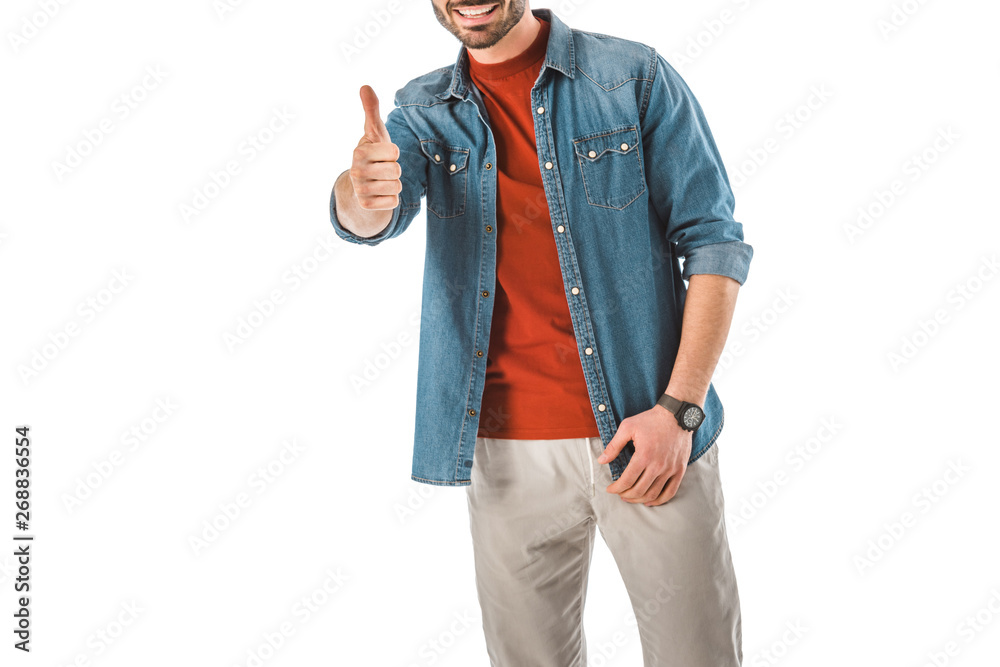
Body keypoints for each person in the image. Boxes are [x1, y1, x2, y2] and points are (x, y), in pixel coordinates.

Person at [330, 2, 751, 664]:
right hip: (505, 454)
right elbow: (372, 212)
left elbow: (715, 246)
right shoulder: (422, 111)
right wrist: (361, 187)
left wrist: (681, 411)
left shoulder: (633, 77)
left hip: (652, 436)